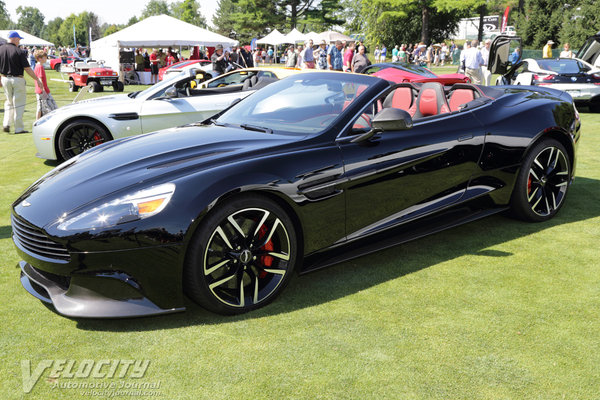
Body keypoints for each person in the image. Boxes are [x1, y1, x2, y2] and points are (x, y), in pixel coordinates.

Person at [0, 31, 44, 134]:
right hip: (17, 79)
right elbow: (27, 68)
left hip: (4, 78)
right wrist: (37, 79)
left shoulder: (0, 49)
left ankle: (6, 124)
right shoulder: (19, 51)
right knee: (18, 104)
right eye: (18, 39)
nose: (19, 41)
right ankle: (18, 128)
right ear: (15, 39)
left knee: (9, 102)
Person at [33, 50, 56, 120]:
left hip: (40, 90)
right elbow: (40, 79)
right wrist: (44, 91)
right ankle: (37, 122)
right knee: (49, 107)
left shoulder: (37, 66)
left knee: (40, 107)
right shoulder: (40, 67)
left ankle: (37, 121)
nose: (46, 59)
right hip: (42, 91)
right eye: (45, 57)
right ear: (39, 58)